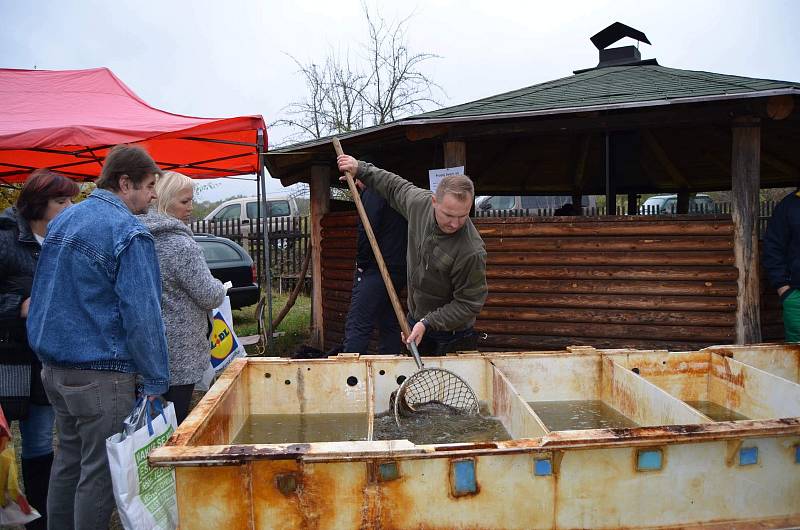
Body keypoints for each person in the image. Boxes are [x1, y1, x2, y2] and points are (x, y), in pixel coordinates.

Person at [26, 145, 170, 530]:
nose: (154, 194)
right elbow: (143, 314)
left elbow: (43, 293)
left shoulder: (65, 219)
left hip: (56, 368)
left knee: (68, 463)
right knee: (98, 475)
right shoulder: (128, 231)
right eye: (150, 186)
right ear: (125, 183)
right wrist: (157, 379)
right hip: (101, 374)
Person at [337, 154, 488, 356]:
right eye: (449, 215)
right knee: (416, 385)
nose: (455, 223)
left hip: (453, 337)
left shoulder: (471, 251)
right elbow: (393, 185)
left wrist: (428, 322)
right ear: (434, 201)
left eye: (463, 216)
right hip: (416, 323)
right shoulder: (419, 204)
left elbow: (470, 303)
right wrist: (361, 168)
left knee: (449, 387)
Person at [0, 170, 79, 530]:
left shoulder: (64, 238)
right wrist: (19, 305)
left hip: (44, 356)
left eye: (70, 200)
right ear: (38, 204)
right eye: (61, 201)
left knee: (39, 442)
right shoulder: (4, 237)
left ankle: (40, 519)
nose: (69, 207)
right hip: (7, 355)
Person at [138, 171, 226, 424]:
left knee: (146, 425)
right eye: (184, 202)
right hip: (179, 350)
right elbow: (209, 295)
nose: (191, 207)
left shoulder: (137, 236)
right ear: (164, 201)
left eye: (191, 200)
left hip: (143, 347)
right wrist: (220, 286)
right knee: (174, 425)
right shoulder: (180, 245)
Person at [342, 180, 408, 355]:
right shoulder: (394, 193)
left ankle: (350, 374)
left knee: (358, 322)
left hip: (378, 268)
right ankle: (391, 370)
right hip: (398, 268)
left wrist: (362, 263)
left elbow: (367, 228)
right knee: (389, 321)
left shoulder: (373, 192)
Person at [763, 189, 800, 342]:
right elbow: (773, 248)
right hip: (797, 296)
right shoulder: (789, 205)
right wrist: (784, 289)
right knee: (797, 356)